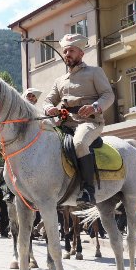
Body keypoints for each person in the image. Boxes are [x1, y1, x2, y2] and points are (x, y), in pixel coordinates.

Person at [43, 33, 114, 205]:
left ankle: (88, 190)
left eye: (71, 50)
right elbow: (47, 100)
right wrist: (49, 108)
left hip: (90, 122)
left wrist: (94, 107)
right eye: (65, 51)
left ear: (81, 53)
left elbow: (108, 95)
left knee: (79, 143)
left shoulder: (94, 72)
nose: (67, 54)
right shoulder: (60, 80)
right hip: (65, 123)